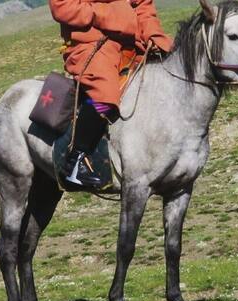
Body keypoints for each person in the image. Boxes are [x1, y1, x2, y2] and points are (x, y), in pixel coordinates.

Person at [49, 0, 173, 188]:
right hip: (89, 44)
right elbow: (62, 7)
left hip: (129, 43)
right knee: (104, 95)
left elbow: (143, 5)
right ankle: (76, 160)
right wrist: (111, 14)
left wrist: (153, 34)